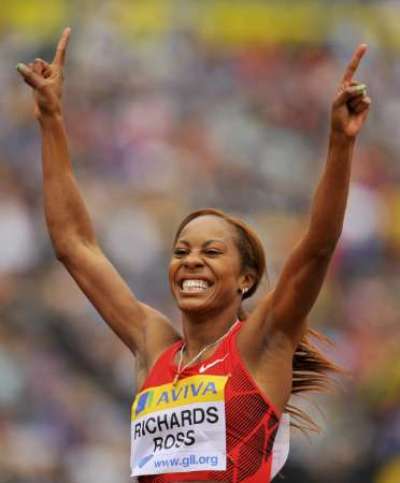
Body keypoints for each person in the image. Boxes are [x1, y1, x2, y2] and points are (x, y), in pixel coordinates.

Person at [17, 28, 371, 483]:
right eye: (181, 250)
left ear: (245, 279)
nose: (190, 261)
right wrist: (51, 117)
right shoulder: (153, 346)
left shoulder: (261, 344)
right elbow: (74, 246)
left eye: (211, 251)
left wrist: (341, 145)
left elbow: (317, 248)